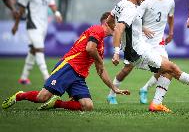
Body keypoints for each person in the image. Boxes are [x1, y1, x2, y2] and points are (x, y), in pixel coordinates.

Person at [2, 12, 130, 111]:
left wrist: (114, 88)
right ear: (108, 21)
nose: (119, 26)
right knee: (42, 97)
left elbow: (100, 70)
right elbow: (90, 48)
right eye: (116, 22)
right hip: (68, 67)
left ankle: (56, 103)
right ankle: (19, 96)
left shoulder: (101, 46)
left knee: (88, 106)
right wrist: (100, 61)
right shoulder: (97, 29)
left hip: (79, 76)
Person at [107, 0, 175, 105]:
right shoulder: (145, 0)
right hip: (141, 41)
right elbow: (133, 19)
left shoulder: (170, 2)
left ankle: (145, 89)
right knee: (127, 68)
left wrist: (171, 32)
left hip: (158, 42)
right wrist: (143, 28)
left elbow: (170, 16)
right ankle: (111, 93)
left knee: (165, 67)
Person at [12, 0, 63, 85]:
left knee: (33, 50)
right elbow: (21, 10)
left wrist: (57, 13)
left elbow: (52, 4)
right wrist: (16, 25)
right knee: (39, 49)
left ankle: (24, 77)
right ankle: (47, 77)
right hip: (32, 24)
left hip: (43, 25)